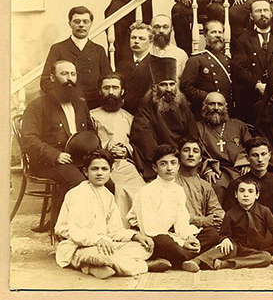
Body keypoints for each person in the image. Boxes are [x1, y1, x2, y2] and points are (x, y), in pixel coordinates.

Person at [54, 149, 153, 279]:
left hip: (104, 243)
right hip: (77, 245)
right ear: (85, 172)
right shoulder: (79, 194)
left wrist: (135, 236)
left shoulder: (108, 196)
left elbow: (114, 231)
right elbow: (77, 233)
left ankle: (98, 266)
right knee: (96, 254)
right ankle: (143, 266)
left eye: (104, 169)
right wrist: (98, 240)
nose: (100, 173)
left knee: (142, 247)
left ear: (111, 172)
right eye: (95, 169)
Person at [21, 60, 97, 215]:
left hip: (79, 159)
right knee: (80, 184)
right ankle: (66, 224)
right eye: (64, 74)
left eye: (73, 74)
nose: (69, 78)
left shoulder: (80, 104)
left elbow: (91, 132)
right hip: (48, 161)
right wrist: (55, 155)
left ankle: (96, 222)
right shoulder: (37, 106)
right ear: (53, 78)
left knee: (107, 182)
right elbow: (29, 139)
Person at [181, 177, 273, 271]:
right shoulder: (230, 214)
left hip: (257, 250)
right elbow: (224, 233)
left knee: (266, 258)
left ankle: (223, 264)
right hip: (237, 247)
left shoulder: (265, 211)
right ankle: (196, 261)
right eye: (242, 191)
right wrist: (225, 239)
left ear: (257, 195)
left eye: (250, 191)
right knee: (224, 247)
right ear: (236, 194)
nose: (246, 195)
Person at [127, 145, 201, 272]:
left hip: (171, 235)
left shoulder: (178, 190)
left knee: (212, 234)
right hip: (152, 237)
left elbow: (181, 221)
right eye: (163, 164)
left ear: (178, 166)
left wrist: (189, 237)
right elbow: (149, 230)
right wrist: (182, 243)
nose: (169, 168)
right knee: (164, 241)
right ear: (155, 168)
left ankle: (181, 258)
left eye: (173, 163)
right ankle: (195, 258)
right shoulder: (146, 192)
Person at [129, 57, 200, 180]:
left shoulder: (183, 107)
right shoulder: (145, 110)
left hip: (183, 161)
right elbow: (146, 143)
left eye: (172, 84)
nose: (168, 89)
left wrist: (183, 158)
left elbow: (193, 135)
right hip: (160, 162)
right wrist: (169, 162)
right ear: (154, 87)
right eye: (163, 85)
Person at [90, 73, 146, 222]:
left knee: (142, 189)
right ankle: (119, 227)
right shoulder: (91, 116)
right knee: (119, 189)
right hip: (102, 164)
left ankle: (139, 225)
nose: (110, 92)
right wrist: (106, 147)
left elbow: (138, 143)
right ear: (100, 91)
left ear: (122, 91)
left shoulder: (129, 117)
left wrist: (126, 150)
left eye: (115, 88)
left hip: (125, 164)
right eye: (106, 88)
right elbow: (87, 142)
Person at [233, 0, 273, 124]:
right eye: (258, 11)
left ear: (271, 14)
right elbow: (238, 69)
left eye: (266, 10)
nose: (263, 14)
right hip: (253, 98)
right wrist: (257, 84)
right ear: (251, 16)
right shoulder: (243, 40)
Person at [40, 6, 111, 110]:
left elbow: (107, 79)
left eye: (85, 21)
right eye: (77, 21)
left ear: (91, 24)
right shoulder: (58, 48)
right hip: (66, 104)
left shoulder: (98, 50)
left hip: (94, 105)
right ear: (70, 24)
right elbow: (45, 80)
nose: (81, 25)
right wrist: (61, 97)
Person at [223, 137, 273, 231]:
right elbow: (231, 213)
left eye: (263, 154)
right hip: (245, 229)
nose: (260, 159)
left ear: (269, 156)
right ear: (247, 158)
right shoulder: (236, 185)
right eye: (255, 155)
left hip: (272, 229)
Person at [196, 92, 251, 200]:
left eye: (219, 104)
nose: (216, 108)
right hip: (216, 171)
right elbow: (196, 152)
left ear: (225, 106)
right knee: (215, 186)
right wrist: (207, 169)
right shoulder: (198, 128)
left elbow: (251, 147)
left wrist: (247, 163)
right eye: (212, 104)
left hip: (239, 168)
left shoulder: (238, 125)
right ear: (205, 106)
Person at [176, 139, 226, 253]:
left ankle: (188, 254)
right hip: (177, 230)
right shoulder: (172, 182)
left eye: (195, 151)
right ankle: (192, 255)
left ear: (200, 159)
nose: (191, 154)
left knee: (214, 235)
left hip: (199, 233)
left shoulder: (205, 185)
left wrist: (217, 218)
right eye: (186, 150)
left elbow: (217, 211)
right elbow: (170, 214)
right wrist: (202, 220)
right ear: (179, 156)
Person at [180, 20, 236, 119]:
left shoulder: (228, 60)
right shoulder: (196, 59)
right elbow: (186, 87)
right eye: (213, 32)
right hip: (205, 113)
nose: (217, 35)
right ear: (205, 36)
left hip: (227, 112)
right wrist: (209, 97)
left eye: (220, 32)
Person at [115, 21, 156, 115]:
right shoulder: (122, 65)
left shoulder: (156, 63)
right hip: (125, 112)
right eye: (133, 38)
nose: (136, 41)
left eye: (141, 38)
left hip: (147, 113)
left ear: (151, 42)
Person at [150, 14, 188, 78]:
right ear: (151, 29)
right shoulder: (144, 51)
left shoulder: (181, 55)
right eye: (157, 27)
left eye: (165, 27)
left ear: (171, 29)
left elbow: (185, 81)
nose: (161, 31)